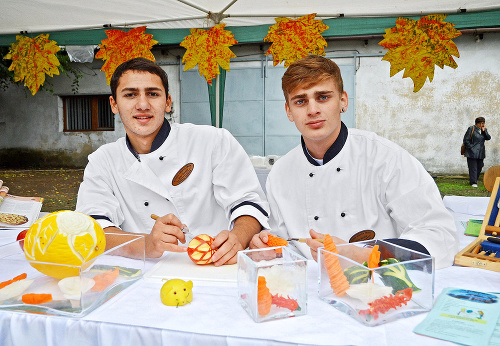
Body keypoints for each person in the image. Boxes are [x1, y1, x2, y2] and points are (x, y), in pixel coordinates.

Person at [249, 55, 458, 269]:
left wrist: (365, 255)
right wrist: (267, 246)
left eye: (322, 97)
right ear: (289, 111)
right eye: (301, 101)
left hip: (380, 286)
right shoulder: (280, 174)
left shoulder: (385, 158)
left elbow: (439, 233)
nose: (312, 110)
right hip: (310, 291)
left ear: (343, 101)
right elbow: (285, 245)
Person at [76, 57, 269, 266]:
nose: (142, 105)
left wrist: (238, 239)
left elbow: (247, 203)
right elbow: (93, 229)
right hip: (145, 274)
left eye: (153, 94)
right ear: (114, 104)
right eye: (130, 94)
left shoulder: (212, 141)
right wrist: (146, 244)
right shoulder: (103, 161)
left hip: (218, 266)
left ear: (167, 102)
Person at [463, 117, 491, 187]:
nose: (483, 124)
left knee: (480, 166)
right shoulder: (471, 129)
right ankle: (473, 182)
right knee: (473, 167)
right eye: (482, 123)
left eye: (484, 123)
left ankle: (475, 179)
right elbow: (466, 140)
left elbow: (488, 138)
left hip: (481, 152)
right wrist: (471, 148)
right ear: (478, 123)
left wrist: (484, 131)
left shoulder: (484, 130)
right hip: (471, 152)